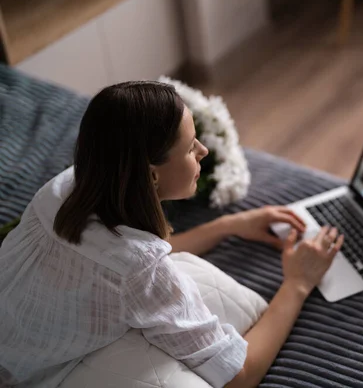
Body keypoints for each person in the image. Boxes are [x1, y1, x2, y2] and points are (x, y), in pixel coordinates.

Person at [0, 82, 344, 388]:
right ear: (152, 175)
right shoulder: (138, 269)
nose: (203, 152)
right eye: (190, 147)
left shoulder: (64, 188)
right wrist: (298, 283)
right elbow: (239, 377)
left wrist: (227, 226)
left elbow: (112, 264)